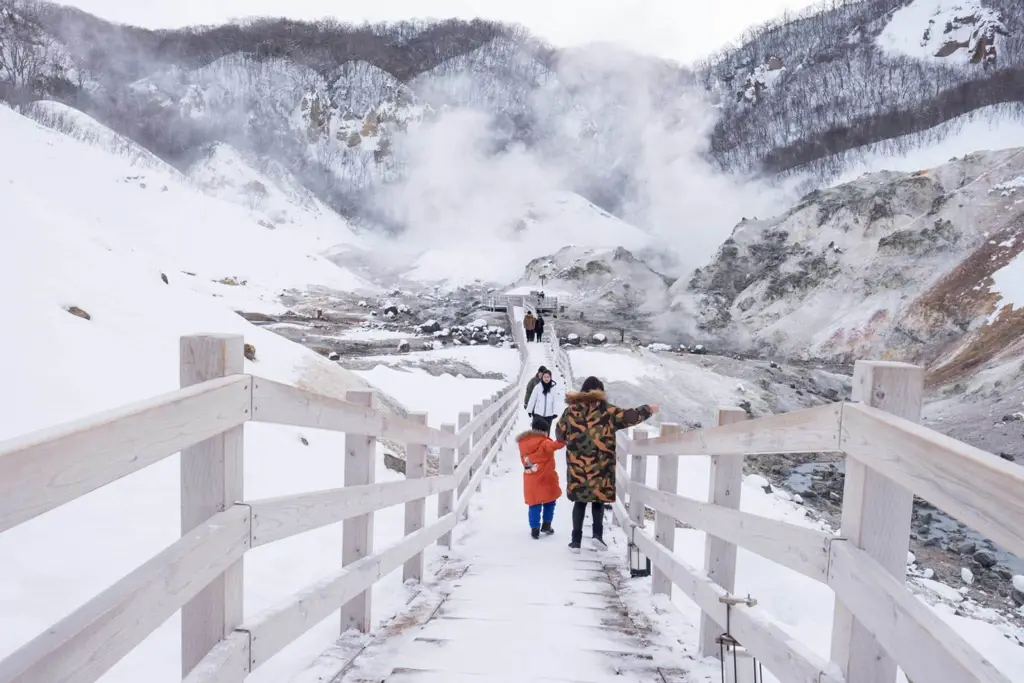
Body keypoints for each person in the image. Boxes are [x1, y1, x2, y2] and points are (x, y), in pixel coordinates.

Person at [555, 376, 659, 553]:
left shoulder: (570, 411)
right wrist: (647, 409)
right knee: (598, 500)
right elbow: (629, 417)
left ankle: (575, 542)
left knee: (579, 501)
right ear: (601, 392)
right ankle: (597, 536)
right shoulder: (607, 411)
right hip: (601, 465)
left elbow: (559, 433)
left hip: (577, 465)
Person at [517, 415, 566, 539]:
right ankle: (546, 525)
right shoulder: (544, 443)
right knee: (550, 501)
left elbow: (527, 461)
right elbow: (555, 445)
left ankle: (534, 529)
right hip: (546, 479)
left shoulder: (523, 443)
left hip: (530, 480)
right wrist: (564, 439)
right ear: (544, 431)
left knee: (534, 504)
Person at [526, 369, 564, 435]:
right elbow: (533, 399)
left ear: (550, 377)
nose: (546, 378)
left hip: (549, 415)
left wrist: (555, 412)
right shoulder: (538, 387)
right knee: (536, 432)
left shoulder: (554, 388)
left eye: (548, 377)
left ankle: (545, 445)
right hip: (538, 414)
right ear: (542, 377)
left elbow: (555, 401)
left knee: (546, 433)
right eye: (544, 377)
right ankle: (536, 445)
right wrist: (529, 410)